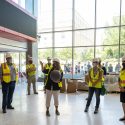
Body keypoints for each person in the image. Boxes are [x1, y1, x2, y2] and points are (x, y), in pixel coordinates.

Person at [119, 56, 125, 121]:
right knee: (123, 102)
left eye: (124, 61)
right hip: (122, 88)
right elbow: (119, 79)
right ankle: (124, 115)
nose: (123, 63)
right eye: (122, 61)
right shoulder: (121, 70)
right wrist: (120, 87)